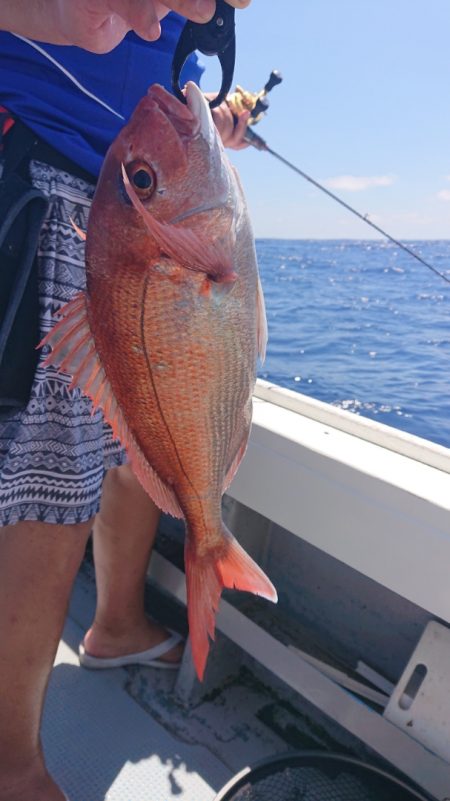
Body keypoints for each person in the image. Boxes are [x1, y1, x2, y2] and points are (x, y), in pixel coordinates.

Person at [0, 2, 251, 800]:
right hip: (58, 175)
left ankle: (114, 623)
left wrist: (210, 118)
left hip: (130, 201)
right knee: (55, 478)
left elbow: (165, 75)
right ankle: (9, 762)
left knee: (125, 440)